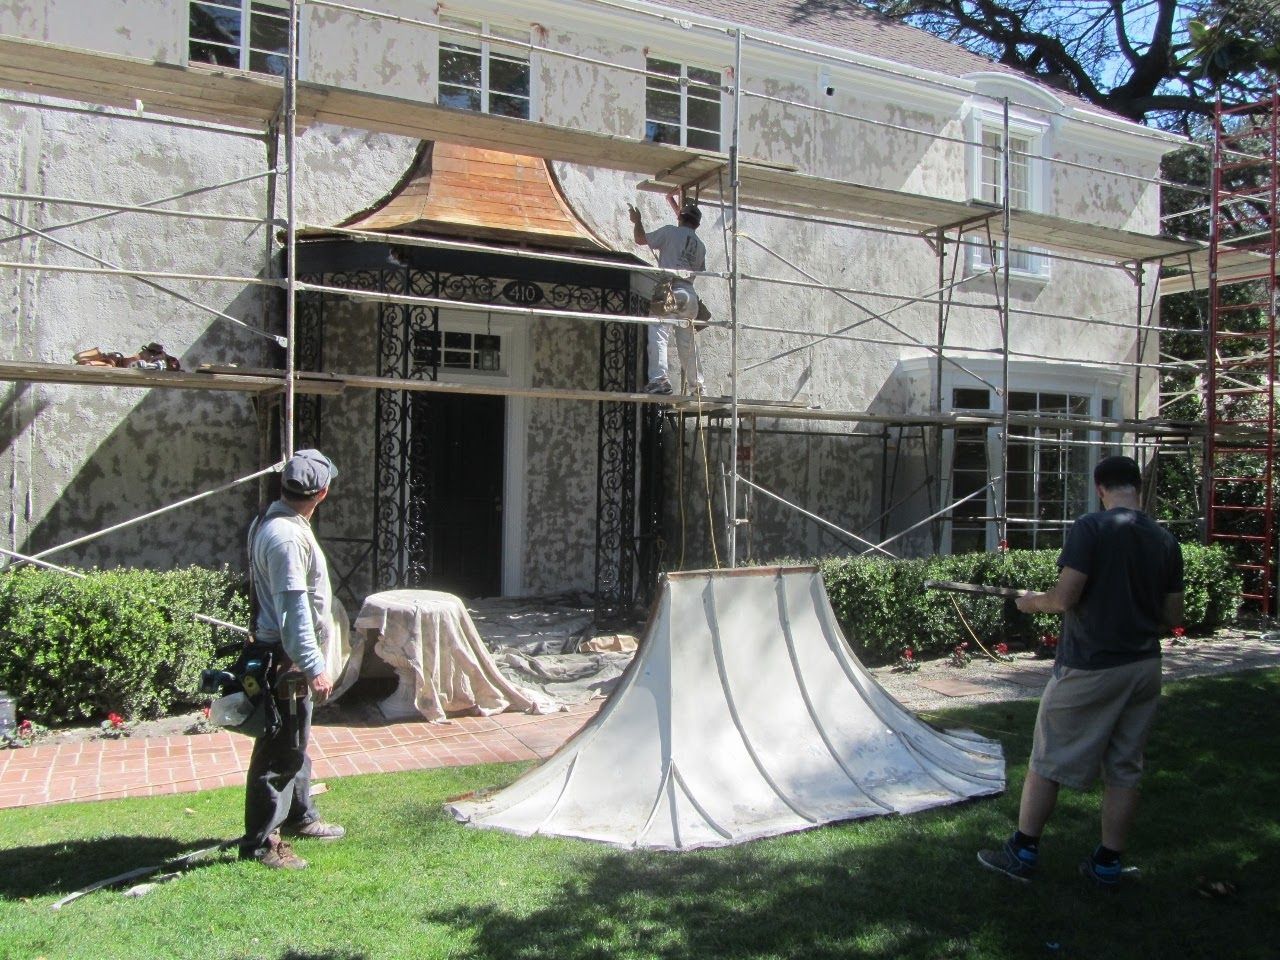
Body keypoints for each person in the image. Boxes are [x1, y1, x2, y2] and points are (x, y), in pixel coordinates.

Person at [978, 455, 1184, 887]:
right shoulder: (1165, 540)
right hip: (1145, 666)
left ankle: (1022, 852)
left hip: (1091, 665)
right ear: (1138, 488)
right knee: (1125, 767)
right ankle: (1108, 863)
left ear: (1099, 488)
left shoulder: (1092, 527)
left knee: (1048, 759)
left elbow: (1066, 596)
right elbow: (1172, 613)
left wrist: (1032, 601)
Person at [240, 449, 347, 870]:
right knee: (278, 751)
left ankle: (301, 815)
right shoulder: (286, 536)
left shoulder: (276, 521)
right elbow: (293, 609)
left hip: (283, 653)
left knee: (294, 740)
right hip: (286, 658)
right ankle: (261, 842)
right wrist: (313, 665)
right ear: (322, 493)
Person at [629, 199, 706, 396]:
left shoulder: (670, 231)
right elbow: (700, 268)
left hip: (670, 289)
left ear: (680, 218)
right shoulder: (700, 246)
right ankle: (698, 388)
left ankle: (659, 379)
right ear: (697, 224)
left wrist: (637, 220)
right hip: (689, 294)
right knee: (688, 342)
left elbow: (640, 239)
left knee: (658, 332)